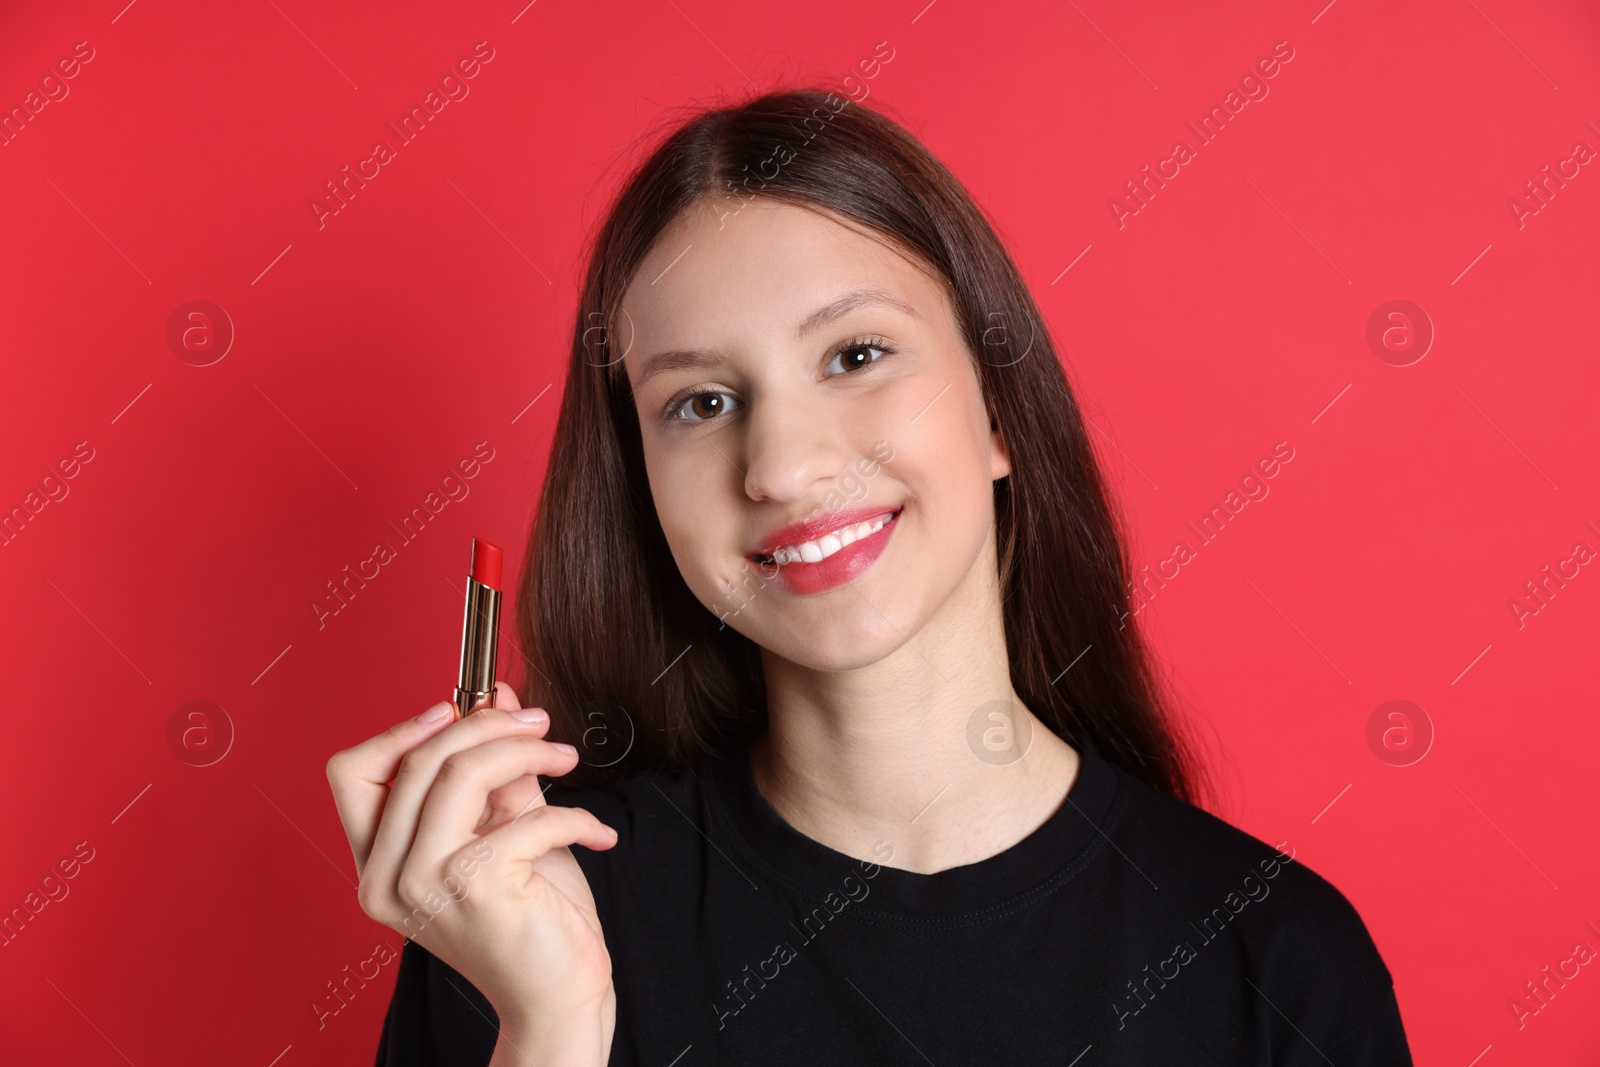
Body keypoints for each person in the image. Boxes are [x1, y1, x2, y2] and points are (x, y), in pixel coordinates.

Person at [325, 87, 1413, 1066]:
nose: (782, 466)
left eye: (854, 354)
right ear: (641, 487)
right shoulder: (528, 918)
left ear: (997, 409)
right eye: (700, 402)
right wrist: (550, 1027)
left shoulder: (1274, 958)